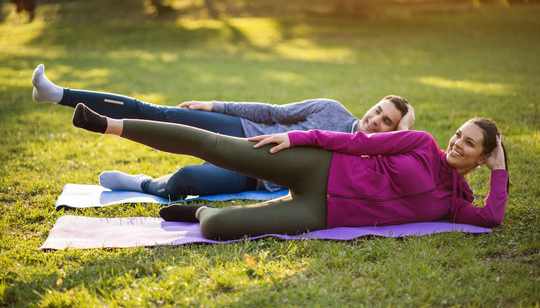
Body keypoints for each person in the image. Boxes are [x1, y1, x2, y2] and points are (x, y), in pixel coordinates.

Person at [71, 103, 509, 241]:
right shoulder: (420, 142)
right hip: (321, 166)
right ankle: (107, 124)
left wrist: (501, 170)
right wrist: (300, 139)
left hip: (323, 214)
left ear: (481, 157)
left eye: (469, 143)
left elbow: (492, 219)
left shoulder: (457, 205)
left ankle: (199, 211)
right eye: (459, 134)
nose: (456, 143)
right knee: (217, 147)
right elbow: (357, 142)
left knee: (220, 229)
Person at [32, 63, 415, 199]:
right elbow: (271, 111)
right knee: (162, 114)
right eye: (377, 111)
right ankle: (58, 94)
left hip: (255, 170)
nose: (375, 121)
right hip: (243, 128)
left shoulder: (370, 156)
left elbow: (407, 153)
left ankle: (143, 184)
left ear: (394, 130)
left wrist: (407, 121)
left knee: (183, 180)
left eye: (387, 122)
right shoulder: (331, 109)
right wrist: (214, 106)